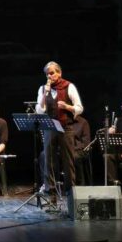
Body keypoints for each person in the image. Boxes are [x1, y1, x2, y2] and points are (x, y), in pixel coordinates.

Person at [35, 61, 84, 199]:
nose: (49, 76)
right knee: (48, 159)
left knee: (68, 160)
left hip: (66, 127)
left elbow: (79, 108)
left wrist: (67, 107)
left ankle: (70, 192)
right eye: (47, 74)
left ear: (59, 73)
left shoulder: (69, 86)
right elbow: (40, 110)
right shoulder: (42, 89)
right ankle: (50, 191)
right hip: (49, 127)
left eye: (51, 73)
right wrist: (45, 94)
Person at [68, 113, 92, 186]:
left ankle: (79, 184)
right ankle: (49, 184)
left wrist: (73, 148)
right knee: (43, 155)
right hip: (64, 149)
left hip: (78, 150)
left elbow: (86, 142)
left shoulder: (83, 122)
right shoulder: (63, 121)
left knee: (75, 157)